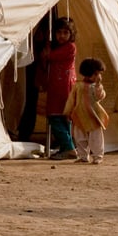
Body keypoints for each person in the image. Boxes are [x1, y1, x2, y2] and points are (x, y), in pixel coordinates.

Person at [42, 17, 77, 160]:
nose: (62, 36)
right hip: (57, 86)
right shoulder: (62, 47)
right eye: (59, 32)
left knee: (55, 117)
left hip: (62, 87)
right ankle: (65, 147)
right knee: (63, 119)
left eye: (65, 33)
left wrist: (46, 50)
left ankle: (69, 147)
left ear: (71, 34)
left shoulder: (70, 47)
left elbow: (49, 56)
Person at [64, 58, 108, 164]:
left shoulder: (96, 87)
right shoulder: (78, 86)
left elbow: (100, 97)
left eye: (99, 74)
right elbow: (71, 100)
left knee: (96, 137)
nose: (98, 76)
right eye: (96, 74)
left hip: (94, 116)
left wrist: (98, 86)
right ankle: (83, 156)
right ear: (88, 73)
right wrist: (68, 112)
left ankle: (97, 156)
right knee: (79, 137)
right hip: (79, 115)